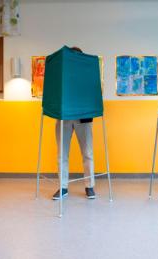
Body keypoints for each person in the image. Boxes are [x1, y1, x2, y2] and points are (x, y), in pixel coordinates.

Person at [52, 46, 96, 200]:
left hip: (83, 118)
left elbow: (93, 94)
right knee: (61, 154)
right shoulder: (62, 76)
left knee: (87, 153)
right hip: (64, 118)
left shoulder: (87, 76)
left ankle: (89, 186)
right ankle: (63, 187)